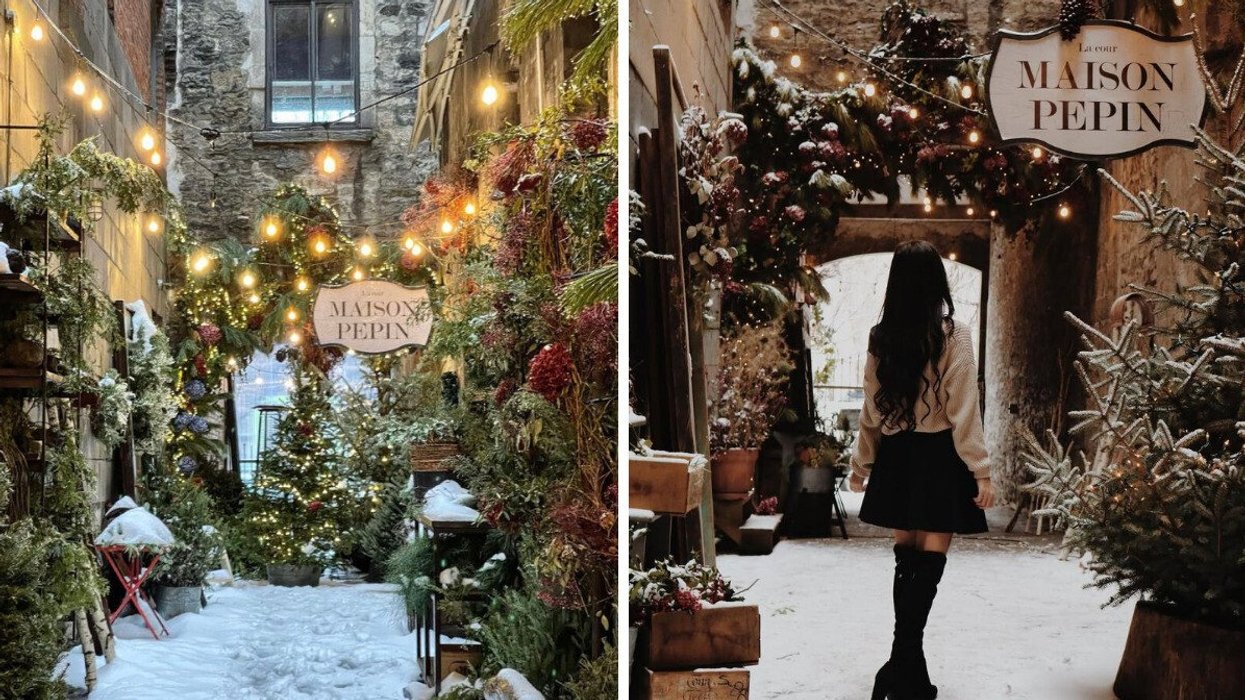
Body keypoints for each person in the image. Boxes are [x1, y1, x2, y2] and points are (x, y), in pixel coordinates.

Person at [847, 240, 995, 700]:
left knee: (907, 561)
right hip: (937, 459)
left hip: (896, 458)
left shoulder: (880, 338)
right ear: (937, 282)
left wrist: (862, 464)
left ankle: (900, 667)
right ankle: (903, 666)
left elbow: (872, 409)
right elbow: (963, 409)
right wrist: (981, 471)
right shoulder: (955, 336)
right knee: (927, 566)